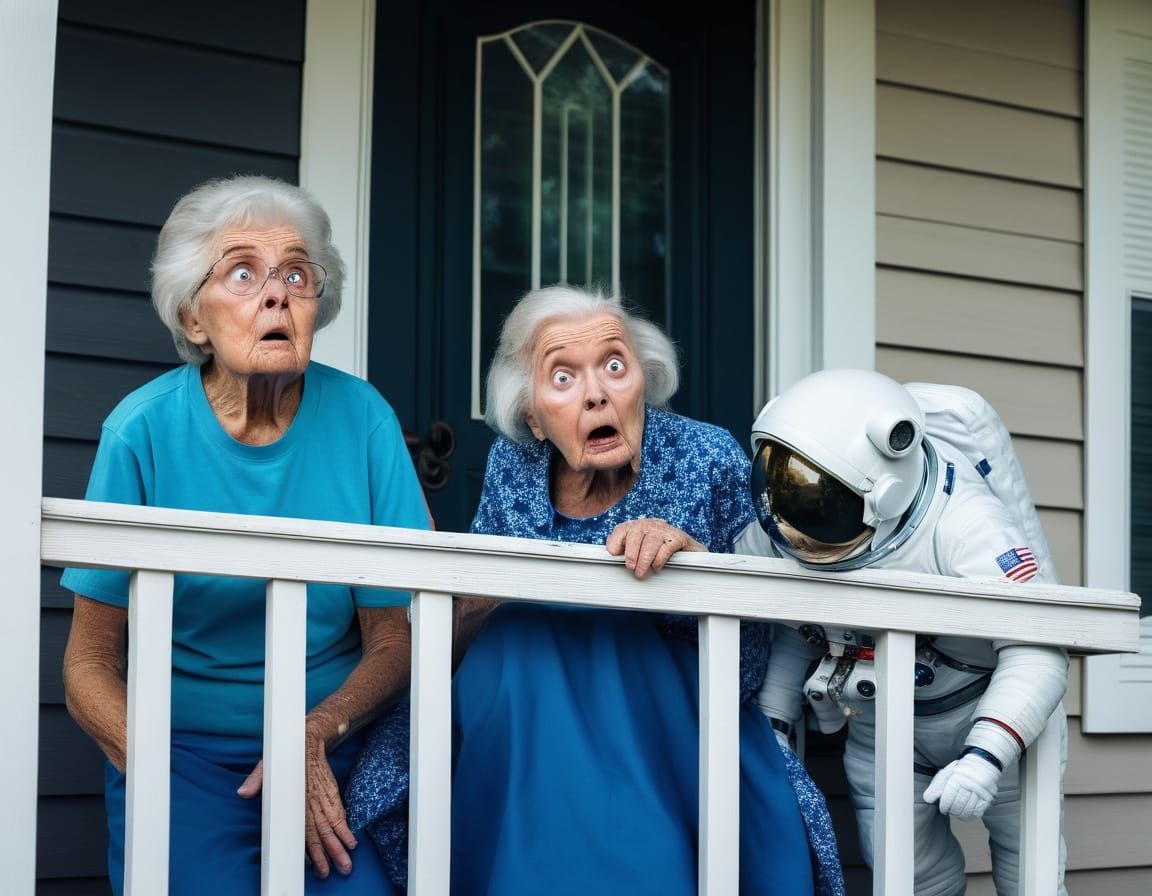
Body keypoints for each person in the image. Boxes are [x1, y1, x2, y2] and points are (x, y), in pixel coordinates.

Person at [345, 284, 845, 896]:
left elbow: (755, 641)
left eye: (614, 365)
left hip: (666, 723)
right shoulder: (514, 463)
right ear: (531, 415)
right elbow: (476, 610)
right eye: (563, 377)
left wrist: (695, 568)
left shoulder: (707, 455)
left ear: (644, 376)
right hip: (526, 715)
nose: (596, 394)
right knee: (515, 643)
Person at [60, 174, 432, 896]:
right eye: (242, 272)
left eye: (297, 272)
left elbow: (394, 638)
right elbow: (87, 664)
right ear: (193, 318)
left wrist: (316, 731)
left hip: (331, 745)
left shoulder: (364, 420)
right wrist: (160, 775)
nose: (278, 294)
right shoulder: (141, 431)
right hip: (179, 753)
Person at [737, 367, 1069, 896]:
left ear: (885, 493)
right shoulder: (784, 533)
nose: (798, 522)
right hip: (882, 730)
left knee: (1028, 870)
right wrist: (774, 722)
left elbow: (1039, 648)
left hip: (988, 712)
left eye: (822, 504)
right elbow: (798, 626)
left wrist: (986, 754)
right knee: (911, 878)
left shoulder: (967, 524)